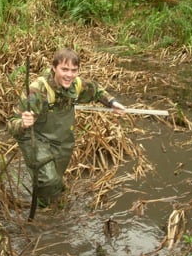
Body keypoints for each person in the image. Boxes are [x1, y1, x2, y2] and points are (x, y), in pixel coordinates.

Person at [7, 48, 125, 207]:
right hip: (35, 137)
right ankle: (42, 208)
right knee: (49, 179)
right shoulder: (37, 90)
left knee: (56, 177)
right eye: (64, 69)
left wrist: (112, 102)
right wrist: (23, 123)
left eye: (73, 70)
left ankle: (51, 203)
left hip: (62, 139)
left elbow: (96, 90)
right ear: (54, 67)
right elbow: (11, 123)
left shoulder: (76, 85)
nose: (69, 75)